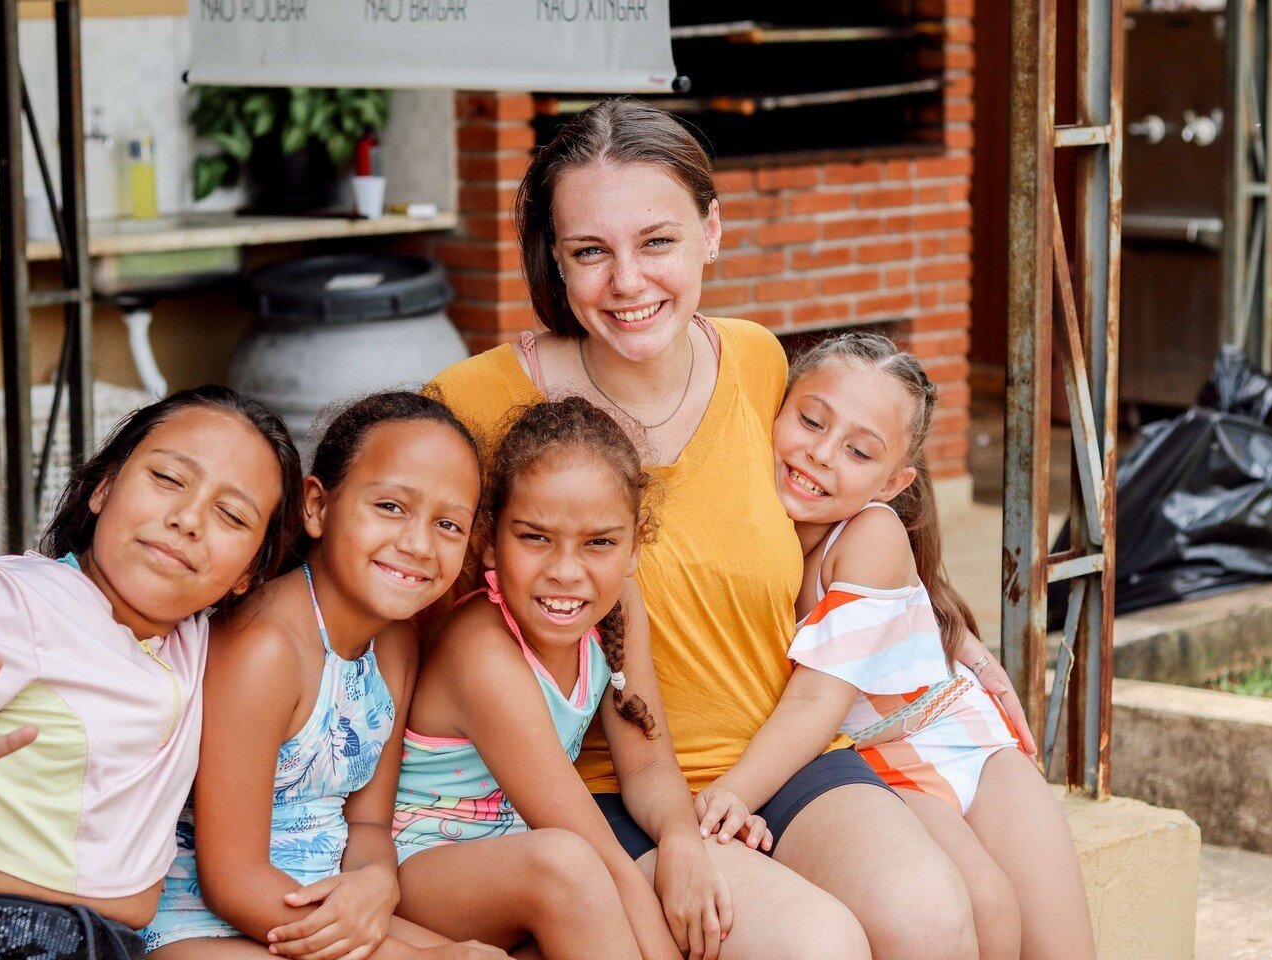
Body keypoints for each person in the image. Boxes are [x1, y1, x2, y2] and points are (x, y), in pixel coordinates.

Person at [430, 98, 1036, 960]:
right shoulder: (471, 405)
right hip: (607, 788)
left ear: (711, 230)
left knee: (932, 917)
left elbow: (842, 513)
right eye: (590, 252)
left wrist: (944, 623)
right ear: (553, 262)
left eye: (658, 241)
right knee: (816, 948)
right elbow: (400, 594)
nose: (628, 283)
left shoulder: (754, 359)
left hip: (787, 757)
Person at [0, 385, 303, 959]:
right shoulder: (12, 601)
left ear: (249, 574)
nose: (186, 519)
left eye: (231, 514)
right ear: (104, 487)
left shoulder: (201, 642)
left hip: (96, 942)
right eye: (167, 479)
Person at [693, 333, 1096, 960]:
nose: (822, 454)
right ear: (774, 409)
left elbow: (814, 703)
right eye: (809, 421)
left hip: (959, 736)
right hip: (874, 765)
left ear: (893, 481)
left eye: (859, 451)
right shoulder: (748, 536)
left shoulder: (870, 533)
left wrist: (733, 792)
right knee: (984, 904)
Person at [143, 391, 505, 960]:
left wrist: (377, 882)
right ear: (316, 505)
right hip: (202, 923)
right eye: (390, 506)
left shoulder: (395, 643)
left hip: (329, 905)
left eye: (448, 525)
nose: (417, 544)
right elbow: (231, 879)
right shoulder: (264, 649)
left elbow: (365, 825)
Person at [393, 397, 751, 960]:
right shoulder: (482, 653)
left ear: (635, 548)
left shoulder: (615, 608)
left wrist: (682, 840)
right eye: (535, 537)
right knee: (567, 865)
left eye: (599, 543)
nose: (565, 570)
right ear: (489, 540)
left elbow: (649, 761)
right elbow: (596, 852)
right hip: (420, 872)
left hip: (515, 863)